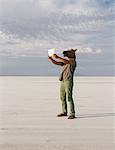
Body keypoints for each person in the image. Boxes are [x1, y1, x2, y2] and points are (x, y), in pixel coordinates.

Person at [48, 48, 77, 119]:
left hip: (68, 81)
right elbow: (57, 63)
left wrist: (57, 57)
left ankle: (72, 113)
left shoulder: (73, 62)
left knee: (69, 97)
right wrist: (51, 59)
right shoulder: (65, 62)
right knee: (62, 97)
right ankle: (64, 112)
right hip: (63, 81)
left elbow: (65, 61)